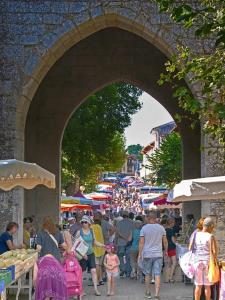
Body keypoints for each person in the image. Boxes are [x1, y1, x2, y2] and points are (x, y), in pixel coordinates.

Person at [138, 211, 168, 300]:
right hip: (158, 254)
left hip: (147, 254)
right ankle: (157, 294)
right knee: (157, 274)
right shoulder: (161, 228)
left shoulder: (144, 228)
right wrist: (166, 251)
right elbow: (165, 241)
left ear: (148, 218)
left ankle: (148, 292)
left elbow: (141, 242)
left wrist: (140, 254)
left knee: (147, 274)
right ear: (156, 218)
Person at [189, 217, 218, 300]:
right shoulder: (210, 236)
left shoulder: (196, 234)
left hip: (197, 262)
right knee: (207, 286)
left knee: (198, 285)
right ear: (210, 226)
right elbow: (214, 252)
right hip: (207, 263)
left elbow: (190, 247)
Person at [76, 215, 105, 296]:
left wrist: (102, 245)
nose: (84, 224)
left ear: (89, 223)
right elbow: (76, 244)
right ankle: (80, 291)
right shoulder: (79, 232)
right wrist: (82, 254)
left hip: (91, 253)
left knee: (93, 271)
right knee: (81, 272)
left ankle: (96, 289)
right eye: (82, 222)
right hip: (82, 255)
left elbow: (94, 242)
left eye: (85, 222)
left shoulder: (92, 231)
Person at [115, 211, 133, 277]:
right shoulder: (132, 222)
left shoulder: (119, 223)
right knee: (128, 257)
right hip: (129, 242)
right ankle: (128, 272)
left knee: (120, 257)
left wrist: (115, 243)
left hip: (121, 242)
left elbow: (117, 234)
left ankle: (122, 269)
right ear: (128, 215)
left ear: (122, 216)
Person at [91, 213, 106, 286]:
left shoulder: (92, 227)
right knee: (99, 265)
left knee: (96, 265)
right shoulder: (100, 227)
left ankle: (96, 280)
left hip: (95, 249)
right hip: (102, 248)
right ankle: (100, 280)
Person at [164, 218, 177, 283]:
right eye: (173, 223)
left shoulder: (165, 230)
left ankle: (167, 277)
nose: (174, 224)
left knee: (168, 263)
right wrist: (176, 242)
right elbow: (173, 240)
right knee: (174, 263)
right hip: (171, 247)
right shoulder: (171, 230)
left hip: (166, 247)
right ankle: (171, 277)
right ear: (171, 223)